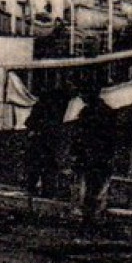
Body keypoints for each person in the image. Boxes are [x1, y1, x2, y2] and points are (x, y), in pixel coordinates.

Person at [71, 88, 118, 229]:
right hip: (100, 157)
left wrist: (76, 154)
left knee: (90, 190)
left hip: (91, 157)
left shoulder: (88, 113)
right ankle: (93, 220)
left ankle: (89, 221)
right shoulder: (107, 111)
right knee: (96, 190)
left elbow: (79, 137)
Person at [24, 88, 68, 200]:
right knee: (47, 168)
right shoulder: (57, 110)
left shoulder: (40, 107)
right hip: (48, 143)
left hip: (40, 142)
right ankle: (47, 191)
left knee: (36, 167)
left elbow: (29, 122)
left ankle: (34, 189)